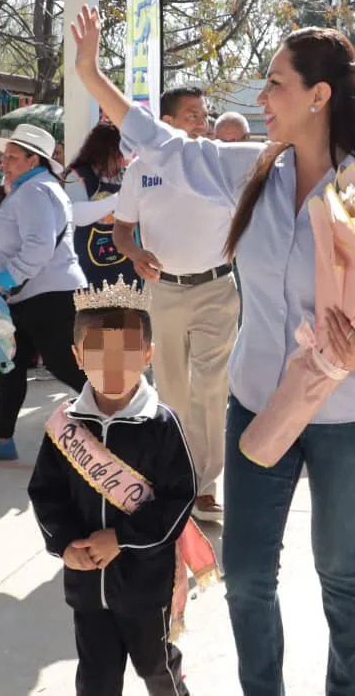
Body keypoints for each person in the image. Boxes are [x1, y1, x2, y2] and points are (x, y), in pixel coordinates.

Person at [73, 4, 355, 696]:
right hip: (259, 407)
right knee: (249, 577)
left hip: (351, 418)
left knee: (339, 569)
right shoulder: (251, 169)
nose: (261, 96)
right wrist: (93, 74)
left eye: (275, 82)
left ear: (319, 96)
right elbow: (165, 144)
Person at [27, 283, 199, 696]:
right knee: (95, 681)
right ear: (78, 357)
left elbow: (180, 498)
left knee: (158, 671)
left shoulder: (161, 424)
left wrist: (122, 538)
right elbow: (46, 493)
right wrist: (66, 543)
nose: (114, 364)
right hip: (88, 588)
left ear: (148, 354)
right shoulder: (66, 426)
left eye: (127, 351)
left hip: (146, 586)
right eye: (99, 352)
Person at [113, 87, 240, 524]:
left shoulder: (220, 164)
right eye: (191, 114)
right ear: (163, 122)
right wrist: (134, 252)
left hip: (217, 290)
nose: (201, 122)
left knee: (210, 389)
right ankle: (174, 477)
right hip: (163, 291)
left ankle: (205, 486)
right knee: (172, 390)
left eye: (204, 114)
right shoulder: (140, 170)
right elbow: (121, 231)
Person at [0, 123, 88, 461]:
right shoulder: (21, 187)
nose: (5, 162)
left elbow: (39, 246)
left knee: (63, 365)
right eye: (5, 156)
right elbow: (0, 216)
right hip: (29, 293)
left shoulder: (34, 191)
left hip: (47, 295)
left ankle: (124, 417)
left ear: (35, 160)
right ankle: (1, 437)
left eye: (13, 157)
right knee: (10, 364)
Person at [65, 121, 139, 290]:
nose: (128, 156)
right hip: (89, 266)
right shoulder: (78, 176)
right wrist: (118, 199)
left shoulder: (128, 175)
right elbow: (76, 215)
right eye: (124, 150)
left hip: (125, 266)